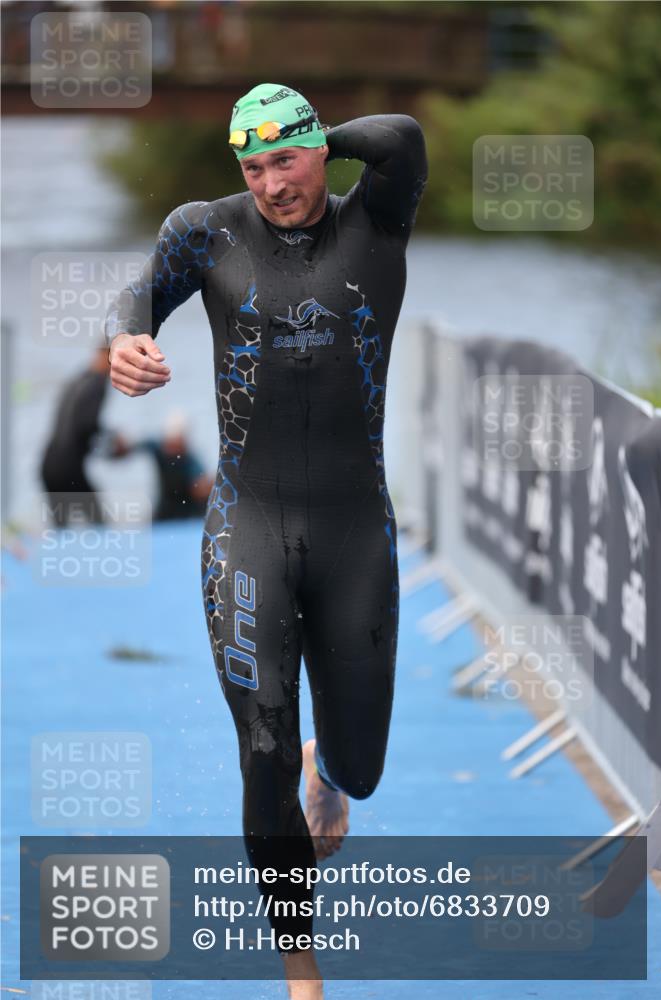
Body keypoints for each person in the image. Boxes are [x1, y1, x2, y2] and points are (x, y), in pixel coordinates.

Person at [105, 83, 427, 998]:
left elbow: (400, 135)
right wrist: (127, 340)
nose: (272, 183)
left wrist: (308, 132)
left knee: (355, 770)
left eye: (286, 159)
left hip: (355, 532)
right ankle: (298, 961)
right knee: (262, 750)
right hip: (245, 530)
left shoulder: (380, 221)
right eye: (253, 167)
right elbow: (137, 298)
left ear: (321, 151)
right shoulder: (205, 231)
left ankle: (332, 770)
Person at [40, 345, 113, 526]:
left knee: (61, 529)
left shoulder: (78, 379)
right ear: (106, 356)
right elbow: (87, 426)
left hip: (48, 464)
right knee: (99, 523)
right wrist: (111, 443)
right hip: (68, 468)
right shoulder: (97, 384)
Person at [115, 410, 213, 521]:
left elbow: (201, 488)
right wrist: (121, 446)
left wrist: (207, 487)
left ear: (184, 442)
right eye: (170, 442)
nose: (171, 448)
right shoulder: (157, 447)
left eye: (176, 443)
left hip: (188, 516)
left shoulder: (191, 461)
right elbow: (128, 449)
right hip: (164, 512)